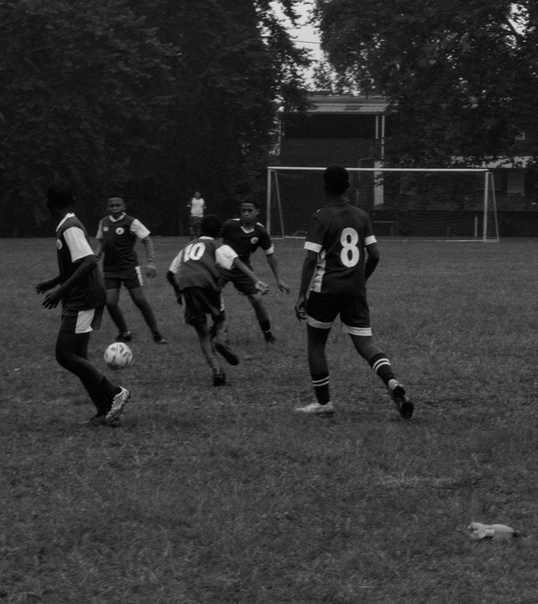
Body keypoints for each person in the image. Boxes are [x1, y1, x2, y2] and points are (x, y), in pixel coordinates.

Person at [294, 165, 413, 419]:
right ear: (348, 187)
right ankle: (392, 382)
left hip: (325, 289)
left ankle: (324, 403)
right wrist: (360, 280)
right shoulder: (361, 216)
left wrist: (302, 295)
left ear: (324, 186)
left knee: (316, 343)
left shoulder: (321, 217)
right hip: (354, 291)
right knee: (365, 343)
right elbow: (375, 255)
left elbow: (310, 259)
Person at [35, 181, 130, 427]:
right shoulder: (69, 225)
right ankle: (105, 411)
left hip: (83, 298)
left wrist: (60, 290)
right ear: (73, 202)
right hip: (88, 295)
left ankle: (114, 392)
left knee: (65, 355)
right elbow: (78, 263)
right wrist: (54, 281)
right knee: (79, 356)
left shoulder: (69, 227)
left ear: (47, 205)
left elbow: (89, 262)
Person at [167, 214, 267, 386]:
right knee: (221, 320)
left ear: (200, 230)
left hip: (188, 287)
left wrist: (178, 292)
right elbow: (237, 263)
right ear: (219, 232)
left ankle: (217, 371)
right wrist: (256, 280)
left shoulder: (187, 247)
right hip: (207, 284)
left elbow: (170, 273)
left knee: (203, 333)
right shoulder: (217, 245)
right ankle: (221, 339)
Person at [94, 195, 166, 344]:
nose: (115, 208)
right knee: (110, 302)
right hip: (110, 268)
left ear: (124, 207)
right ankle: (125, 332)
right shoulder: (104, 222)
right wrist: (97, 254)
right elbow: (101, 242)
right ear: (107, 208)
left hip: (129, 267)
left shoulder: (131, 222)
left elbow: (147, 240)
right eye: (111, 205)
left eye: (117, 205)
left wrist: (151, 262)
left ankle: (156, 333)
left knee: (139, 300)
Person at [221, 198, 289, 344]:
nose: (245, 214)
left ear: (257, 212)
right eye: (243, 210)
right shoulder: (229, 225)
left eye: (249, 210)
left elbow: (270, 255)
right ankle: (221, 333)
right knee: (212, 294)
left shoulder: (260, 231)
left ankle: (268, 335)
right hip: (222, 265)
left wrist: (278, 278)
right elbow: (212, 240)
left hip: (242, 268)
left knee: (257, 300)